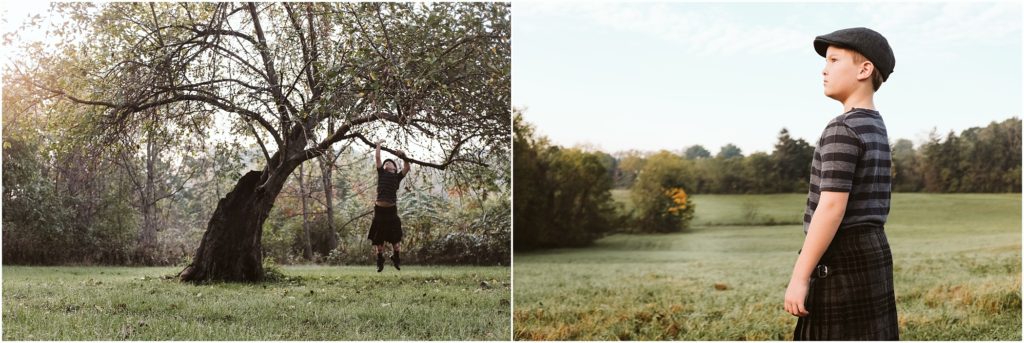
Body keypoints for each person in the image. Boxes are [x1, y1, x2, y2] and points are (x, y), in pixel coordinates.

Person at [784, 27, 899, 340]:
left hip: (841, 257)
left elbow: (832, 206)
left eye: (834, 60)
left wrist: (800, 276)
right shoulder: (876, 125)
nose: (824, 68)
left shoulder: (842, 129)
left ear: (864, 69)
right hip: (873, 249)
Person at [367, 140, 409, 272]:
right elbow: (378, 157)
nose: (386, 163)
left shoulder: (397, 177)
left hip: (391, 212)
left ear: (395, 168)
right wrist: (378, 144)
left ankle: (396, 258)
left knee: (396, 242)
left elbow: (407, 168)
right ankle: (380, 260)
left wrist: (404, 156)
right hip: (379, 211)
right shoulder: (381, 173)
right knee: (379, 242)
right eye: (386, 163)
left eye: (389, 162)